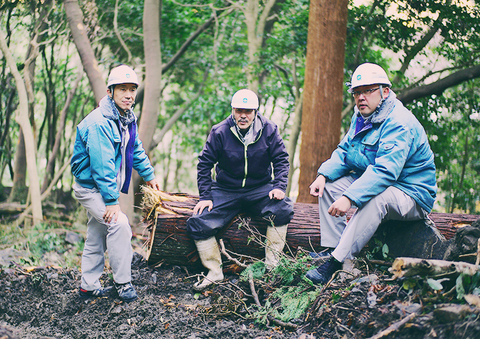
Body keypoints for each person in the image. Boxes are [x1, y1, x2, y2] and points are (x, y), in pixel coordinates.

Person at [306, 63, 437, 285]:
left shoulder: (399, 122)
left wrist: (349, 198)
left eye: (368, 90)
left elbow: (385, 171)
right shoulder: (361, 116)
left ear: (385, 92)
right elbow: (345, 150)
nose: (361, 97)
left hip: (411, 192)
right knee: (330, 188)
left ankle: (337, 262)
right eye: (357, 92)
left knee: (376, 198)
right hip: (380, 181)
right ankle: (333, 247)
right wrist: (323, 176)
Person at [187, 89, 294, 291]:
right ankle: (215, 271)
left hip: (260, 188)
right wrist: (206, 196)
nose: (243, 115)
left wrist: (279, 186)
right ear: (233, 111)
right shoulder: (219, 131)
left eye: (248, 111)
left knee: (283, 208)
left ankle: (272, 265)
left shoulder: (269, 129)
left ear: (255, 112)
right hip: (226, 189)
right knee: (198, 221)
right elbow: (204, 164)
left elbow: (281, 159)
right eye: (238, 111)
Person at [71, 65, 160, 302]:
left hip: (103, 188)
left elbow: (135, 149)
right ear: (110, 91)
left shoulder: (127, 117)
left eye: (132, 89)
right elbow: (102, 165)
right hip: (91, 189)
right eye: (122, 89)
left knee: (97, 233)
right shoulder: (100, 122)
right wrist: (111, 201)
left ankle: (88, 287)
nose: (128, 94)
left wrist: (149, 175)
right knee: (119, 223)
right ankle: (123, 283)